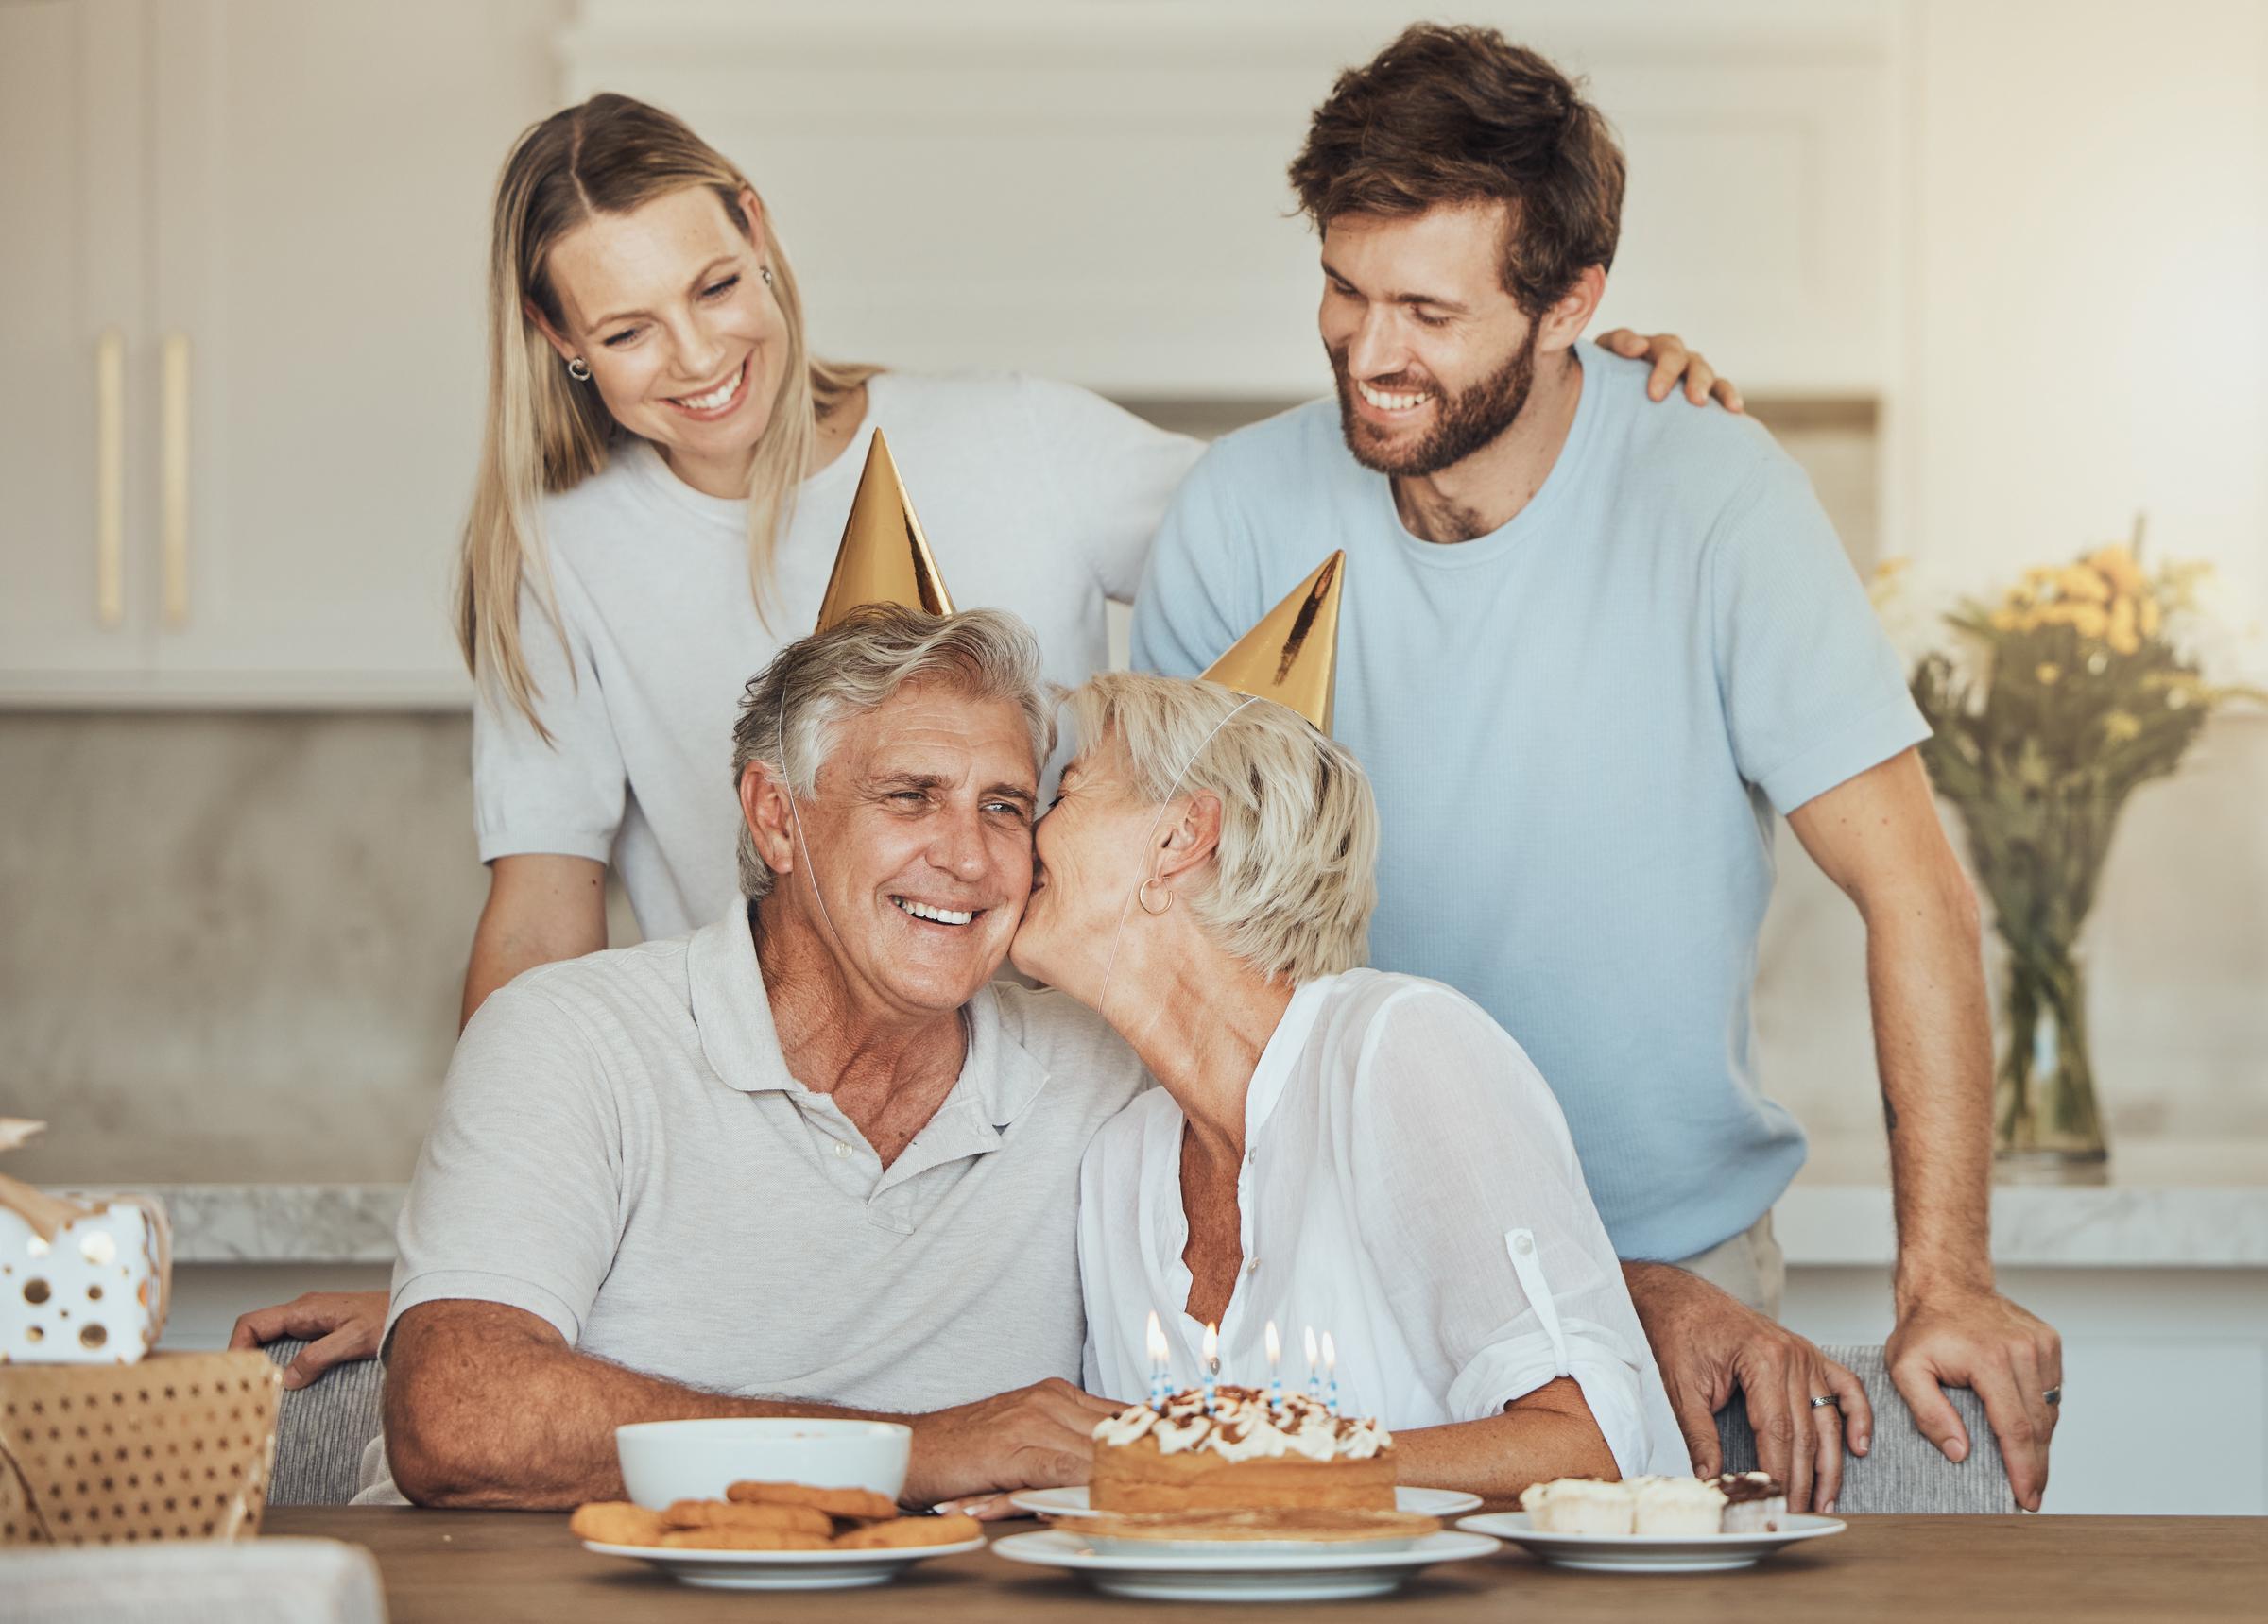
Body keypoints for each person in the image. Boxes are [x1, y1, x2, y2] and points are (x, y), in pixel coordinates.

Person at [231, 90, 1727, 1388]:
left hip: (1063, 1154)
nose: (697, 356)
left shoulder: (1021, 439)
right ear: (557, 338)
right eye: (625, 327)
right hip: (758, 1174)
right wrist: (469, 1262)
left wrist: (1556, 387)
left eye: (716, 282)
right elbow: (541, 918)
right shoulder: (557, 559)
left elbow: (1324, 515)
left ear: (762, 229)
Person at [1131, 23, 2062, 1514]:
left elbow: (1918, 895)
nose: (1372, 352)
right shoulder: (1240, 511)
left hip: (1686, 1262)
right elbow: (1165, 943)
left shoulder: (1715, 493)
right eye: (1345, 287)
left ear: (1571, 301)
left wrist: (1945, 1278)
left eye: (1430, 310)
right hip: (1348, 1265)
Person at [363, 605, 1143, 1508]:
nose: (969, 858)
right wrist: (918, 1451)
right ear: (777, 817)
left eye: (1003, 807)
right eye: (910, 795)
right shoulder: (573, 1036)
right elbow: (458, 1414)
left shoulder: (1099, 1075)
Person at [1011, 668, 1691, 1498]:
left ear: (1178, 838)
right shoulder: (1118, 1166)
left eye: (1068, 792)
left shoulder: (1398, 1045)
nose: (1025, 834)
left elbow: (1586, 1448)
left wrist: (1233, 1473)